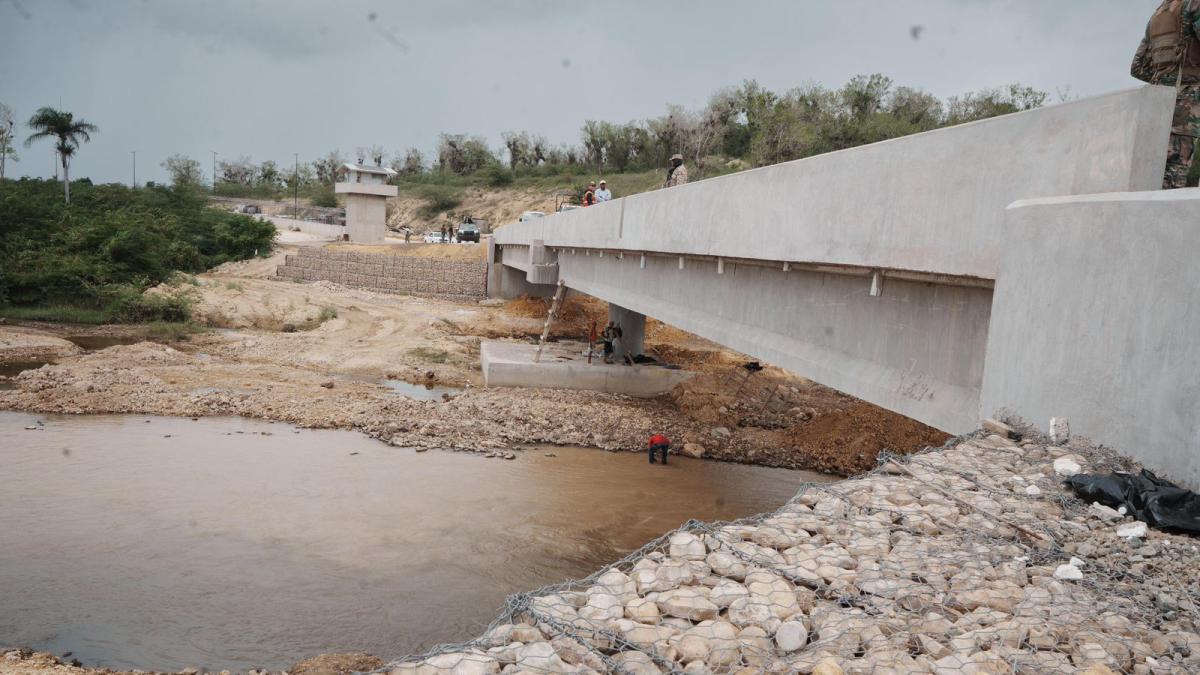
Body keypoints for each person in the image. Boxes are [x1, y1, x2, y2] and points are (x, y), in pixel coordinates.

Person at [1132, 0, 1200, 188]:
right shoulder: (1194, 5)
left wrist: (1165, 80)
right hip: (1186, 105)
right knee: (1173, 176)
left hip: (1156, 102)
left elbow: (1137, 68)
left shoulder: (1157, 14)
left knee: (1151, 173)